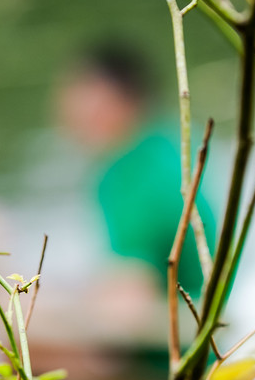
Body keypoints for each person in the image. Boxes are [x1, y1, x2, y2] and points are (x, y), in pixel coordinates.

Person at [57, 41, 213, 301]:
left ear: (105, 99)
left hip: (180, 333)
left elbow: (128, 302)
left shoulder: (134, 173)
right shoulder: (172, 142)